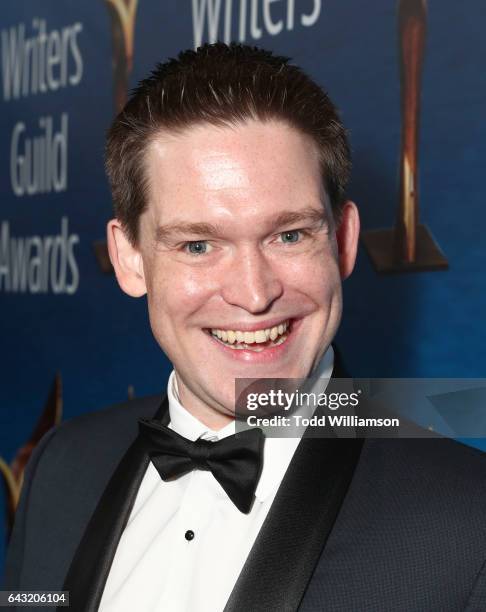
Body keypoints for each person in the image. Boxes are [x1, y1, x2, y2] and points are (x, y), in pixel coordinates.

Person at [5, 43, 486, 612]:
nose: (254, 295)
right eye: (198, 244)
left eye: (289, 236)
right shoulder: (61, 466)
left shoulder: (467, 522)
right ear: (130, 259)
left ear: (343, 240)